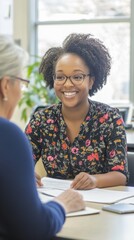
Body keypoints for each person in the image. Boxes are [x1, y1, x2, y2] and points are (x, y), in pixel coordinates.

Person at [0, 35, 85, 240]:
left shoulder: (108, 117)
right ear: (5, 86)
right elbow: (34, 228)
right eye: (21, 83)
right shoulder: (8, 134)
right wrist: (63, 203)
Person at [25, 33, 129, 190]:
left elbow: (120, 175)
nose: (67, 84)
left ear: (91, 81)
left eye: (77, 77)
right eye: (60, 77)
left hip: (100, 205)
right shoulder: (42, 120)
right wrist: (25, 174)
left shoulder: (110, 119)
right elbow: (20, 161)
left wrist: (94, 180)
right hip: (56, 202)